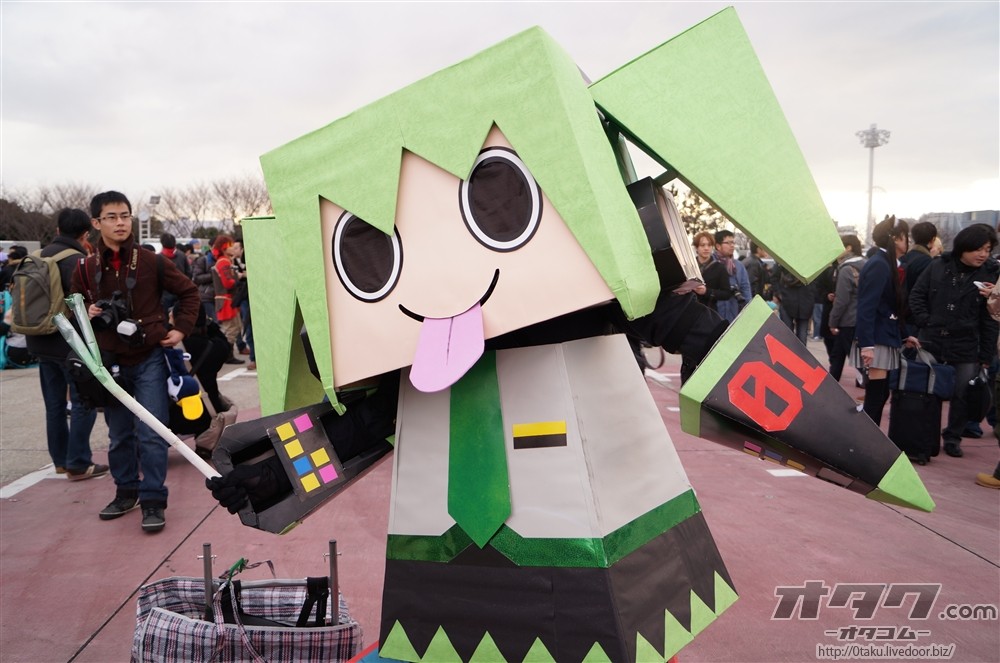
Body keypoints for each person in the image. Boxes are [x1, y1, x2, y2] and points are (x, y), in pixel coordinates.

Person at [71, 191, 200, 533]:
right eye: (111, 217)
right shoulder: (85, 268)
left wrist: (180, 328)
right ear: (96, 223)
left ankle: (153, 499)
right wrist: (86, 311)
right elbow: (70, 310)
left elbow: (189, 292)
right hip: (109, 362)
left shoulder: (151, 261)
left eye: (125, 216)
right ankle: (125, 493)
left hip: (149, 356)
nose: (120, 223)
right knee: (119, 436)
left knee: (152, 432)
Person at [908, 223, 999, 458]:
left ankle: (953, 437)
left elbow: (991, 319)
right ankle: (926, 438)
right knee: (928, 391)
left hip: (966, 343)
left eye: (987, 250)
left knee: (962, 394)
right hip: (932, 339)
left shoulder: (991, 274)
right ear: (963, 247)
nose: (983, 254)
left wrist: (986, 354)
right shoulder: (938, 265)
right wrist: (926, 320)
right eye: (978, 249)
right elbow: (917, 295)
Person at [24, 209, 103, 479]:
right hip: (69, 345)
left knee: (55, 405)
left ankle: (60, 461)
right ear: (85, 234)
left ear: (58, 230)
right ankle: (78, 463)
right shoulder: (77, 262)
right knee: (83, 402)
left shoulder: (37, 257)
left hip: (38, 340)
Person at [853, 215, 916, 427]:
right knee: (876, 395)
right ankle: (867, 439)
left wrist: (905, 335)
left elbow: (889, 307)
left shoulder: (884, 263)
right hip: (877, 337)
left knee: (879, 394)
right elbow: (867, 306)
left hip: (883, 335)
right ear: (896, 238)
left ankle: (869, 438)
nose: (908, 241)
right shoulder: (880, 264)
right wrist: (867, 344)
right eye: (906, 236)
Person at [827, 234, 866, 382]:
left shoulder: (846, 269)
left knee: (853, 358)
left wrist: (833, 321)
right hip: (863, 317)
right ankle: (832, 382)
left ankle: (865, 384)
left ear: (848, 248)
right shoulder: (867, 264)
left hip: (848, 319)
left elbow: (842, 300)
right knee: (839, 353)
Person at [210, 235, 246, 365]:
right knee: (231, 329)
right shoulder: (224, 262)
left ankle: (226, 354)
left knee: (233, 328)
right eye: (230, 246)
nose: (232, 248)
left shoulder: (224, 261)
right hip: (226, 300)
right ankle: (226, 355)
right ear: (224, 248)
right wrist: (238, 279)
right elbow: (228, 283)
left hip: (226, 299)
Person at [772, 264, 816, 344]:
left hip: (797, 301)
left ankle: (795, 351)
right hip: (800, 301)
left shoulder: (783, 264)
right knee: (797, 336)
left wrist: (779, 293)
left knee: (792, 335)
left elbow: (774, 278)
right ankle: (798, 351)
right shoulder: (810, 264)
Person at [713, 229, 751, 323]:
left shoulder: (738, 265)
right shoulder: (711, 264)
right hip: (714, 313)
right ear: (718, 246)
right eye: (728, 243)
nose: (732, 245)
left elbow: (745, 288)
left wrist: (748, 309)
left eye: (733, 242)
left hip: (734, 313)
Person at [692, 230, 733, 310]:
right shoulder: (690, 266)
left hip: (709, 311)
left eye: (709, 245)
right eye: (702, 245)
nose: (706, 248)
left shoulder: (719, 268)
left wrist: (706, 291)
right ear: (697, 247)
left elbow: (727, 294)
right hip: (689, 309)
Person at [159, 233, 192, 318]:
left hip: (164, 294)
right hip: (180, 292)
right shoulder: (182, 255)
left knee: (165, 318)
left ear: (162, 243)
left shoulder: (159, 257)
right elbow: (189, 273)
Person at [191, 240, 218, 324]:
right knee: (213, 323)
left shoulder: (225, 259)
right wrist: (213, 274)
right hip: (207, 296)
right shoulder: (203, 260)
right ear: (210, 247)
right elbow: (196, 278)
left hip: (222, 297)